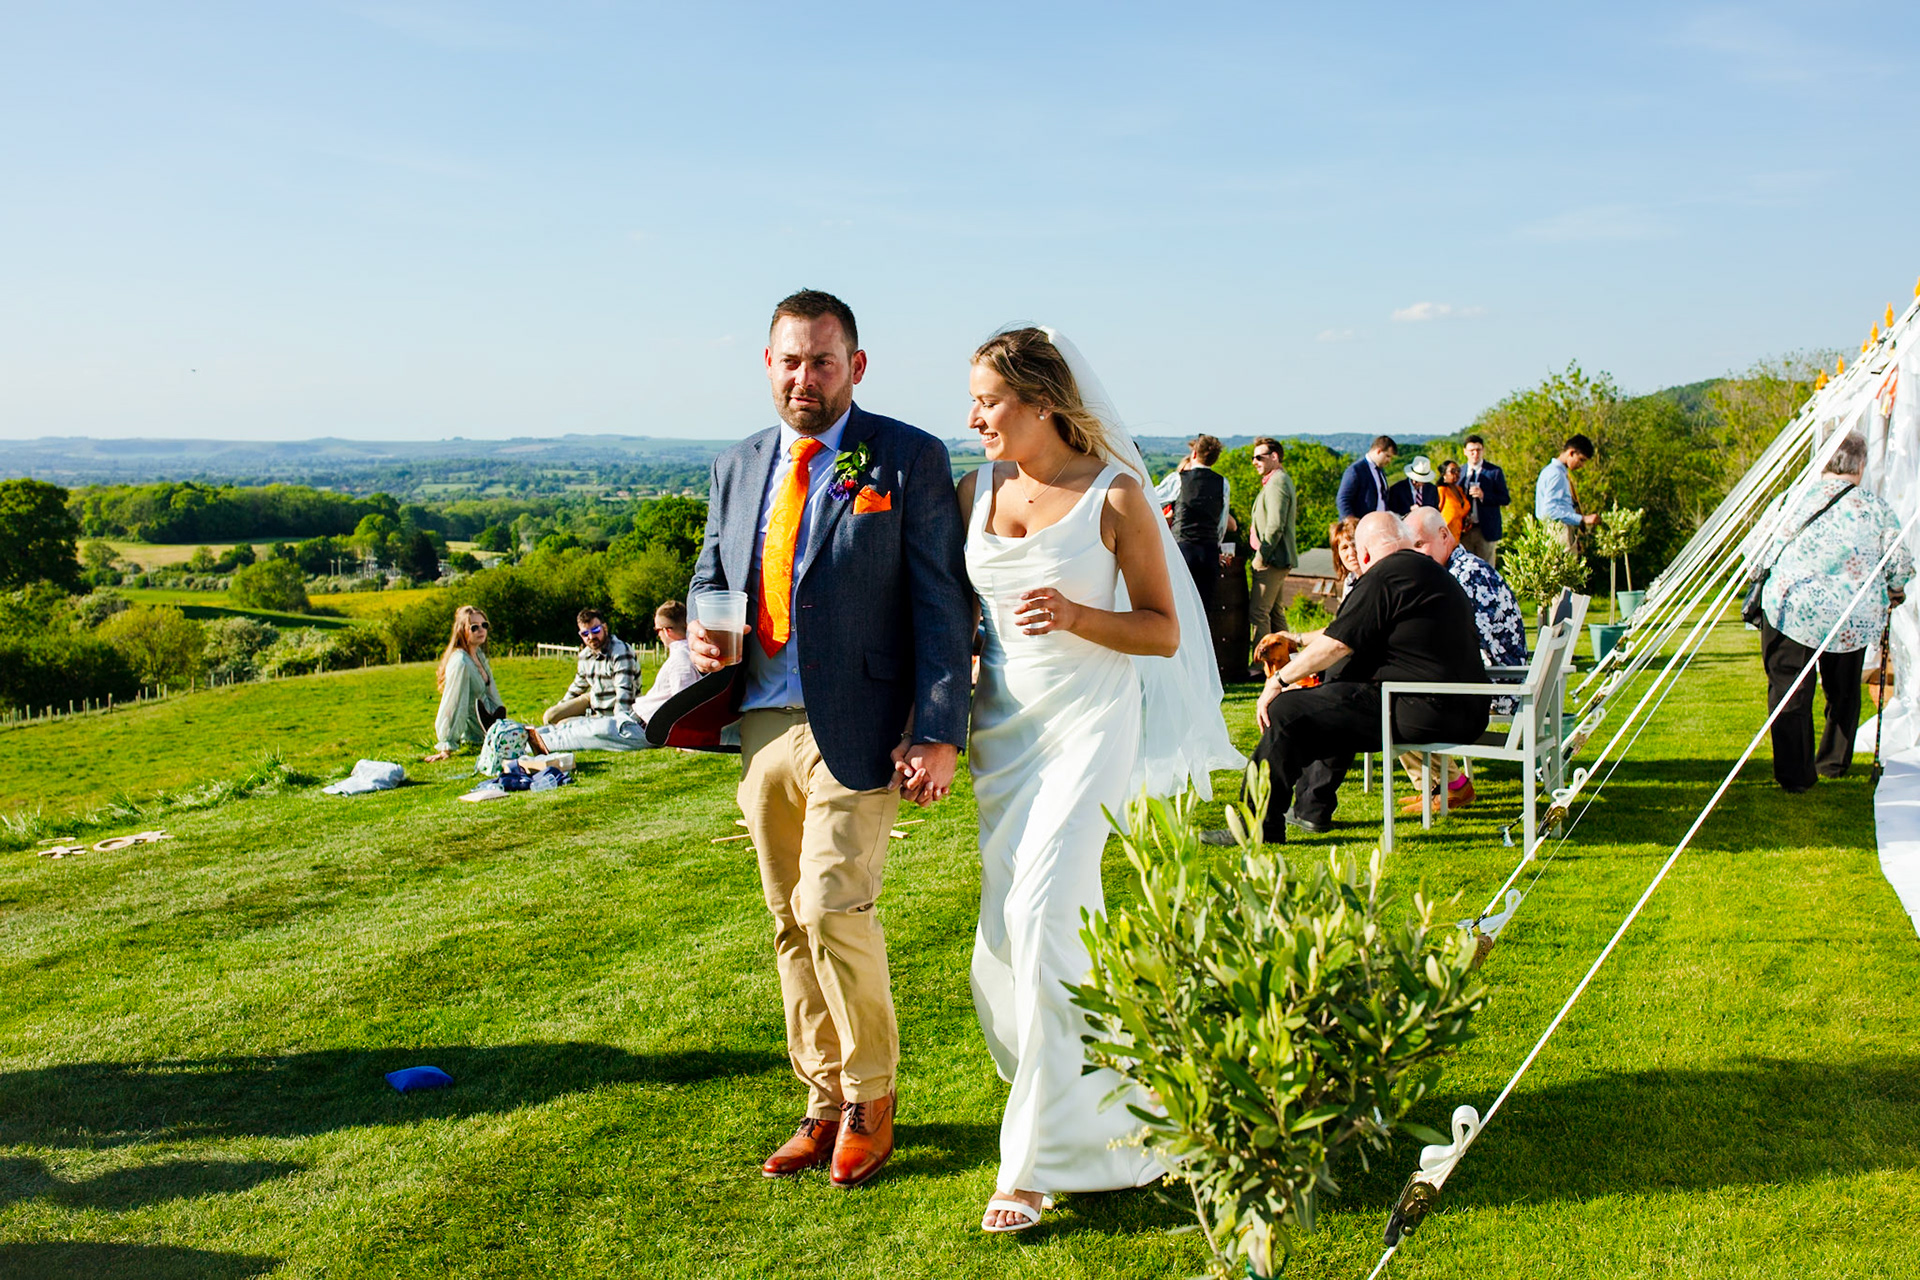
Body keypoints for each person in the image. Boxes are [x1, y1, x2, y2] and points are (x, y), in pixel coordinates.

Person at [686, 289, 972, 1189]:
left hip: (862, 727)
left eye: (821, 359)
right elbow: (711, 573)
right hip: (763, 724)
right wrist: (702, 625)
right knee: (785, 923)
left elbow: (940, 602)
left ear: (856, 366)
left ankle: (871, 1100)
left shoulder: (906, 458)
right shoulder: (735, 467)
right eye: (789, 360)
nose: (804, 376)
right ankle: (818, 1100)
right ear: (766, 366)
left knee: (831, 908)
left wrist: (937, 729)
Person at [962, 326, 1241, 1232]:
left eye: (990, 402)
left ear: (1043, 402)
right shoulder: (974, 489)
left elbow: (1161, 630)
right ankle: (1104, 1099)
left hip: (1090, 728)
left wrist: (1081, 614)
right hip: (1002, 738)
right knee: (1002, 943)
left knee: (1043, 916)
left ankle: (1035, 1163)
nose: (975, 418)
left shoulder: (1114, 496)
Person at [1232, 512, 1490, 842]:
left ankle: (1256, 827)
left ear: (1365, 554)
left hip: (1425, 708)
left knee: (1287, 710)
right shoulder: (1431, 572)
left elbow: (1337, 642)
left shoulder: (1387, 573)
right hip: (1462, 707)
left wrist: (1278, 681)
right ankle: (1312, 809)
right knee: (1330, 703)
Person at [1755, 433, 1913, 792]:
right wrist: (1895, 588)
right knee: (1843, 692)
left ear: (1824, 461)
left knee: (1789, 691)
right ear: (1860, 465)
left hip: (1793, 609)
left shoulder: (1791, 501)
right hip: (1851, 615)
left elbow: (1758, 552)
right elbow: (1900, 561)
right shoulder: (1875, 508)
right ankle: (1832, 763)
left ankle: (1795, 775)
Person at [1400, 507, 1528, 810]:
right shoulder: (1460, 569)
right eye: (1411, 548)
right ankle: (1439, 786)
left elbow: (1456, 644)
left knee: (1401, 702)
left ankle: (1450, 786)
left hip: (1498, 688)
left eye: (1420, 544)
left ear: (1445, 535)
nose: (1416, 555)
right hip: (1498, 676)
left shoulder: (1464, 577)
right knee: (1398, 692)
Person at [535, 601, 700, 753]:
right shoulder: (683, 655)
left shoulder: (680, 660)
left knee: (575, 735)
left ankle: (530, 742)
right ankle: (530, 734)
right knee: (570, 726)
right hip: (632, 719)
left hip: (638, 727)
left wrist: (685, 742)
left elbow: (683, 706)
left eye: (657, 630)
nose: (658, 636)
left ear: (667, 631)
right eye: (585, 633)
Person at [1154, 434, 1229, 614]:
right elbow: (1222, 521)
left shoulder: (1178, 479)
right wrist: (1216, 544)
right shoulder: (1222, 483)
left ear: (1194, 453)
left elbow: (1151, 499)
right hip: (1209, 550)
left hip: (1183, 548)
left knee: (1179, 606)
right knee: (1203, 610)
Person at [424, 605, 504, 762]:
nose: (481, 630)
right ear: (462, 630)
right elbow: (453, 703)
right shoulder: (461, 662)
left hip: (490, 728)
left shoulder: (477, 654)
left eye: (484, 625)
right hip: (476, 733)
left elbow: (493, 695)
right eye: (474, 627)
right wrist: (446, 745)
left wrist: (502, 724)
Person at [1246, 437, 1297, 676]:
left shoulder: (1277, 482)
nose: (1254, 461)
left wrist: (1262, 555)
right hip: (1275, 558)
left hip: (1272, 559)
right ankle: (1291, 661)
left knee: (1259, 612)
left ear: (1274, 457)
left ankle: (1260, 666)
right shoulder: (1275, 481)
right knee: (1275, 614)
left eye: (1259, 457)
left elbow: (1275, 525)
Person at [543, 608, 637, 726]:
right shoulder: (585, 655)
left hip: (613, 708)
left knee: (565, 724)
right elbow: (578, 686)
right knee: (551, 716)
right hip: (594, 700)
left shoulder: (621, 652)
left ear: (605, 628)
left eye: (596, 630)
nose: (591, 636)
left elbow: (624, 693)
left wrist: (618, 723)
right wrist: (561, 707)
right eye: (585, 633)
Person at [1536, 433, 1600, 552]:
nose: (1582, 465)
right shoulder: (1556, 474)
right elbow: (1550, 511)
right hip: (1558, 531)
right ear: (1571, 453)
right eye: (1581, 460)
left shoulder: (1552, 472)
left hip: (1559, 531)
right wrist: (1583, 519)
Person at [1458, 434, 1511, 565]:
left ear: (1483, 451)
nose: (1475, 454)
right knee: (1466, 567)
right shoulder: (1460, 472)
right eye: (1472, 451)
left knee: (1487, 568)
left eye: (1478, 450)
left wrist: (1484, 496)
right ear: (1465, 452)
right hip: (1465, 530)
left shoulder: (1494, 472)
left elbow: (1505, 498)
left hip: (1486, 530)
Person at [1336, 435, 1395, 519]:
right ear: (1378, 451)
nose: (1389, 460)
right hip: (1361, 526)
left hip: (1378, 524)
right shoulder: (1355, 470)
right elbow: (1343, 499)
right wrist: (1350, 521)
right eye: (1387, 456)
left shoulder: (1380, 471)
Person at [1329, 516, 1361, 602]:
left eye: (1354, 545)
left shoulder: (1375, 580)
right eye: (1344, 547)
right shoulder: (1350, 580)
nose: (1351, 552)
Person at [1436, 460, 1471, 537]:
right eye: (1452, 471)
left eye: (1458, 471)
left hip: (1459, 535)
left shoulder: (1460, 490)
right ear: (1444, 474)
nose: (1456, 473)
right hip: (1444, 535)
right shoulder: (1441, 490)